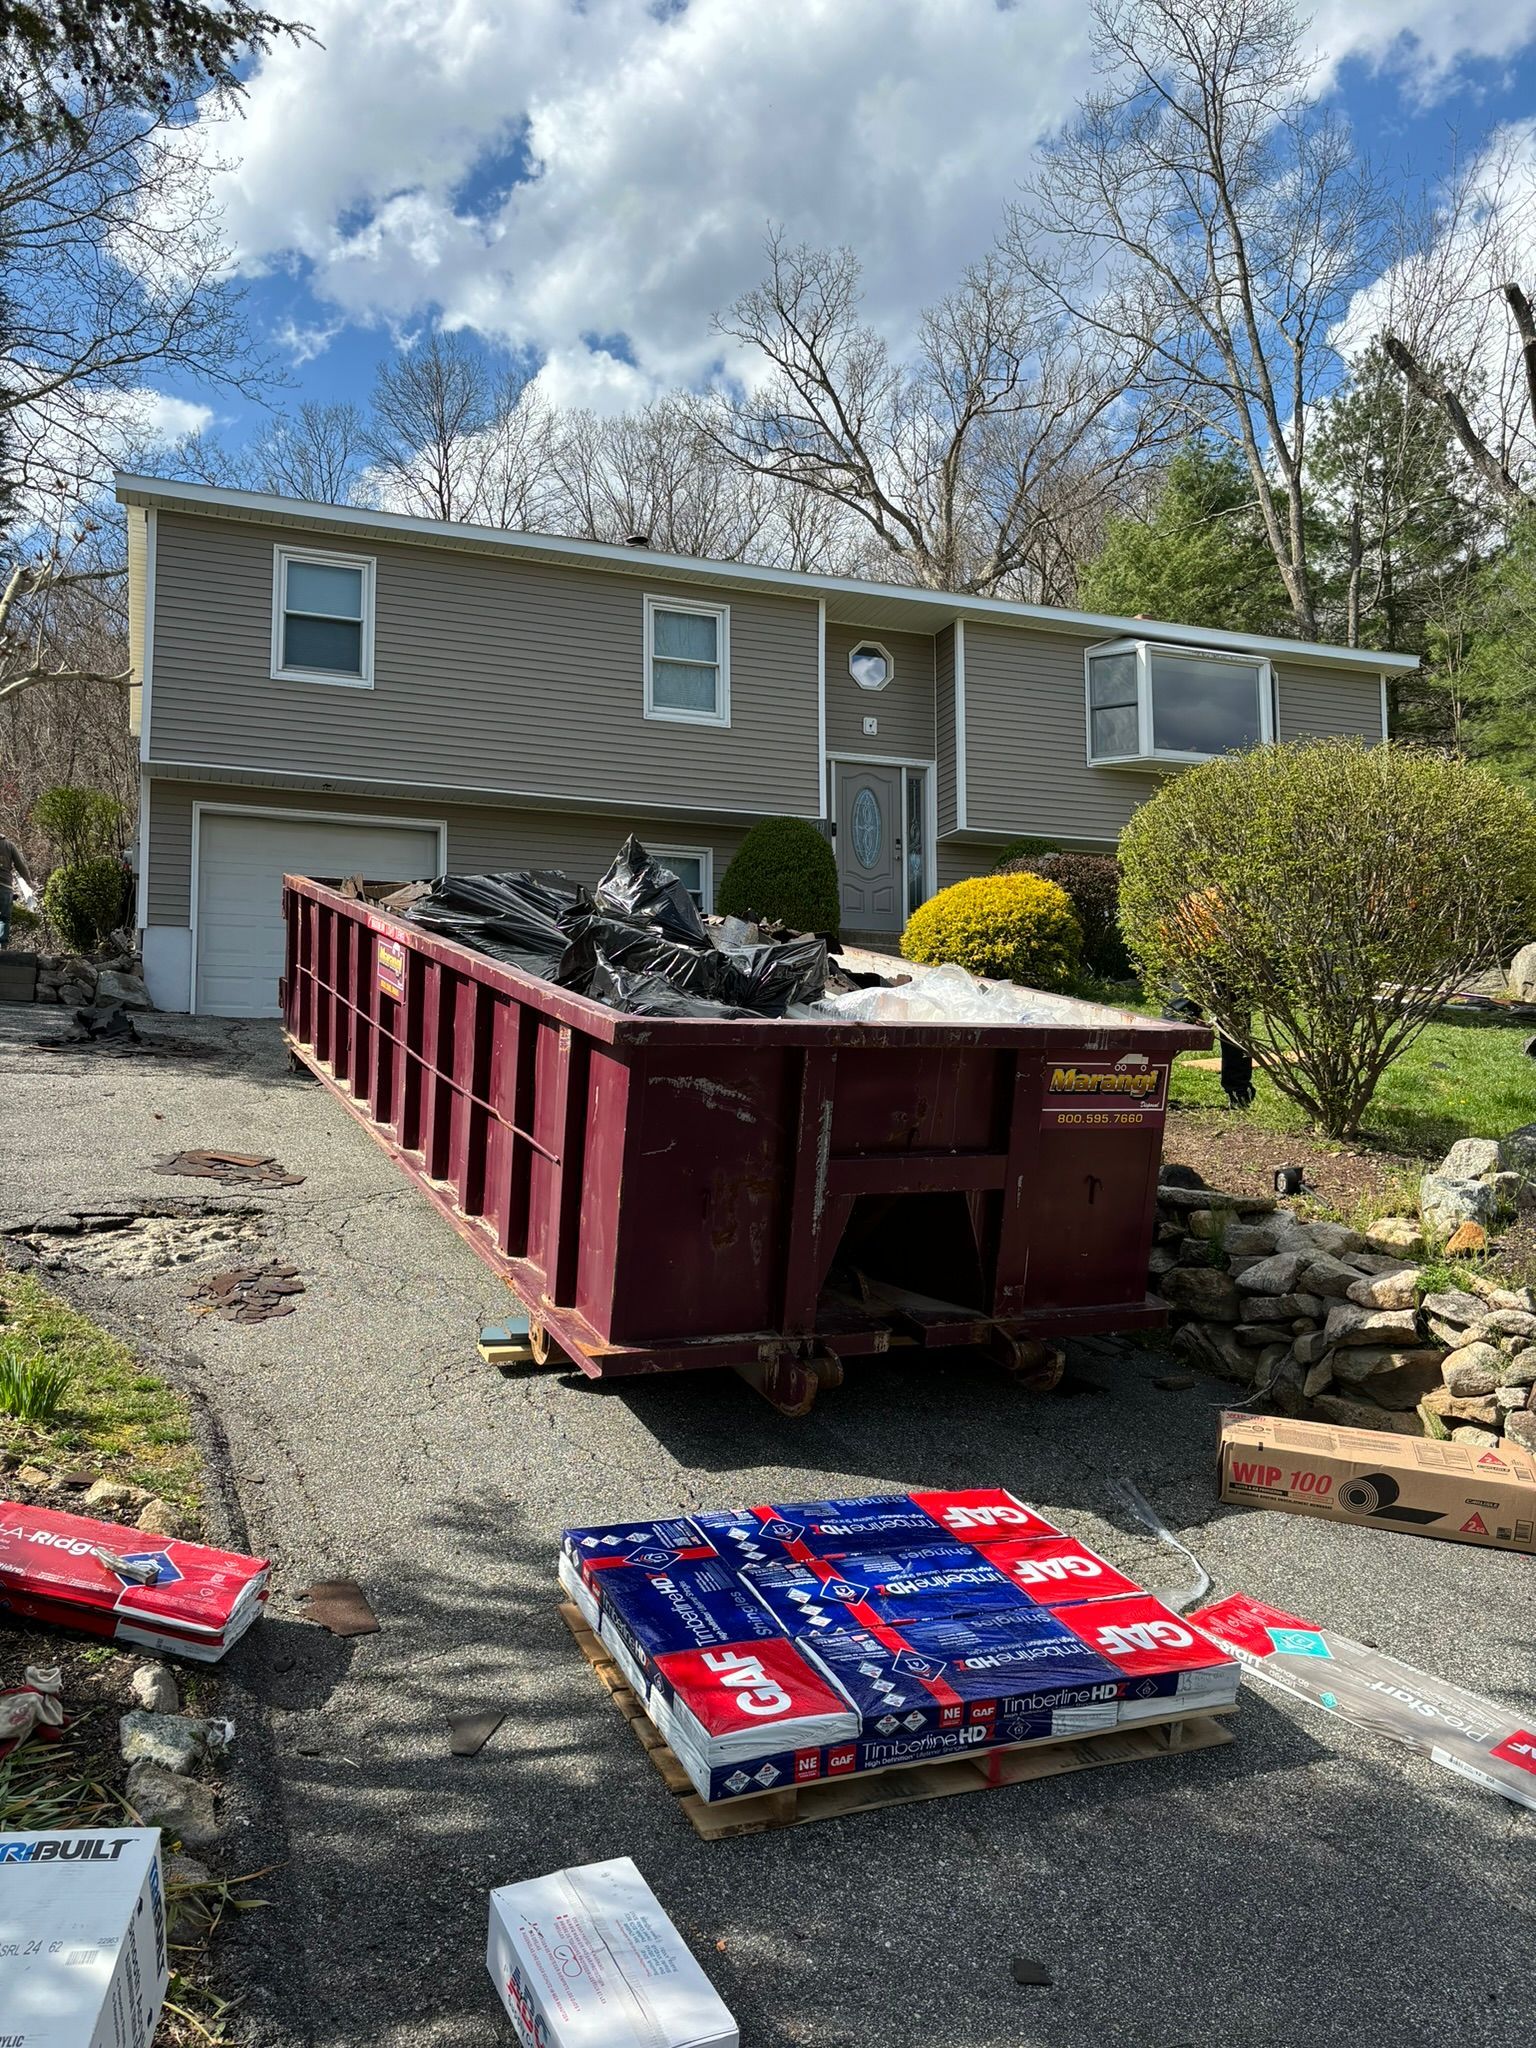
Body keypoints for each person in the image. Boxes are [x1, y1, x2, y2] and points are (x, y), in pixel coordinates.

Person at [0, 832, 32, 947]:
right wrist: (28, 881)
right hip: (5, 886)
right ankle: (2, 947)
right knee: (4, 918)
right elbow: (20, 865)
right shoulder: (9, 845)